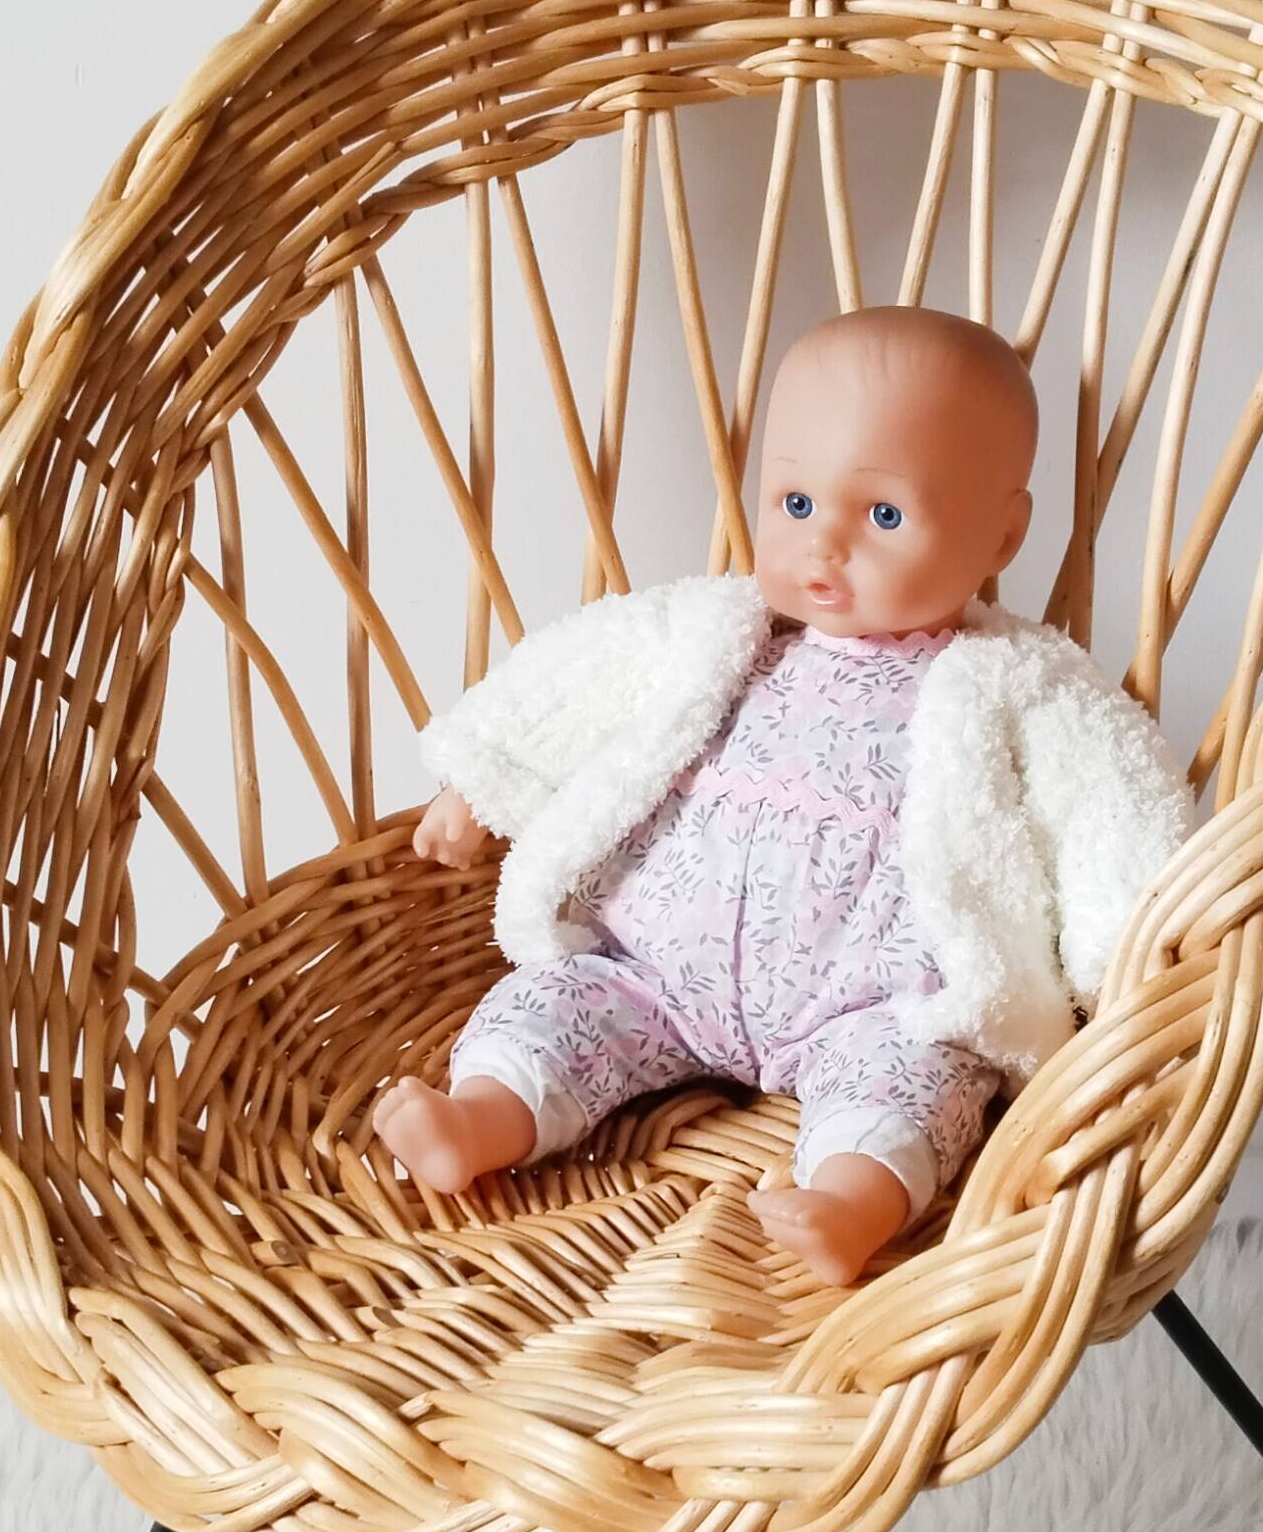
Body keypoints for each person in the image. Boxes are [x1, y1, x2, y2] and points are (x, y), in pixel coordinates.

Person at [371, 305, 1192, 1283]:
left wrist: (1148, 945)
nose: (825, 546)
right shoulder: (724, 629)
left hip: (875, 1000)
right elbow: (581, 677)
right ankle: (479, 1122)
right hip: (654, 969)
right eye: (796, 504)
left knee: (920, 1085)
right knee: (545, 1007)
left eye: (883, 516)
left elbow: (1110, 799)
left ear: (1001, 531)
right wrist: (481, 776)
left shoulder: (1014, 677)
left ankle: (852, 1201)